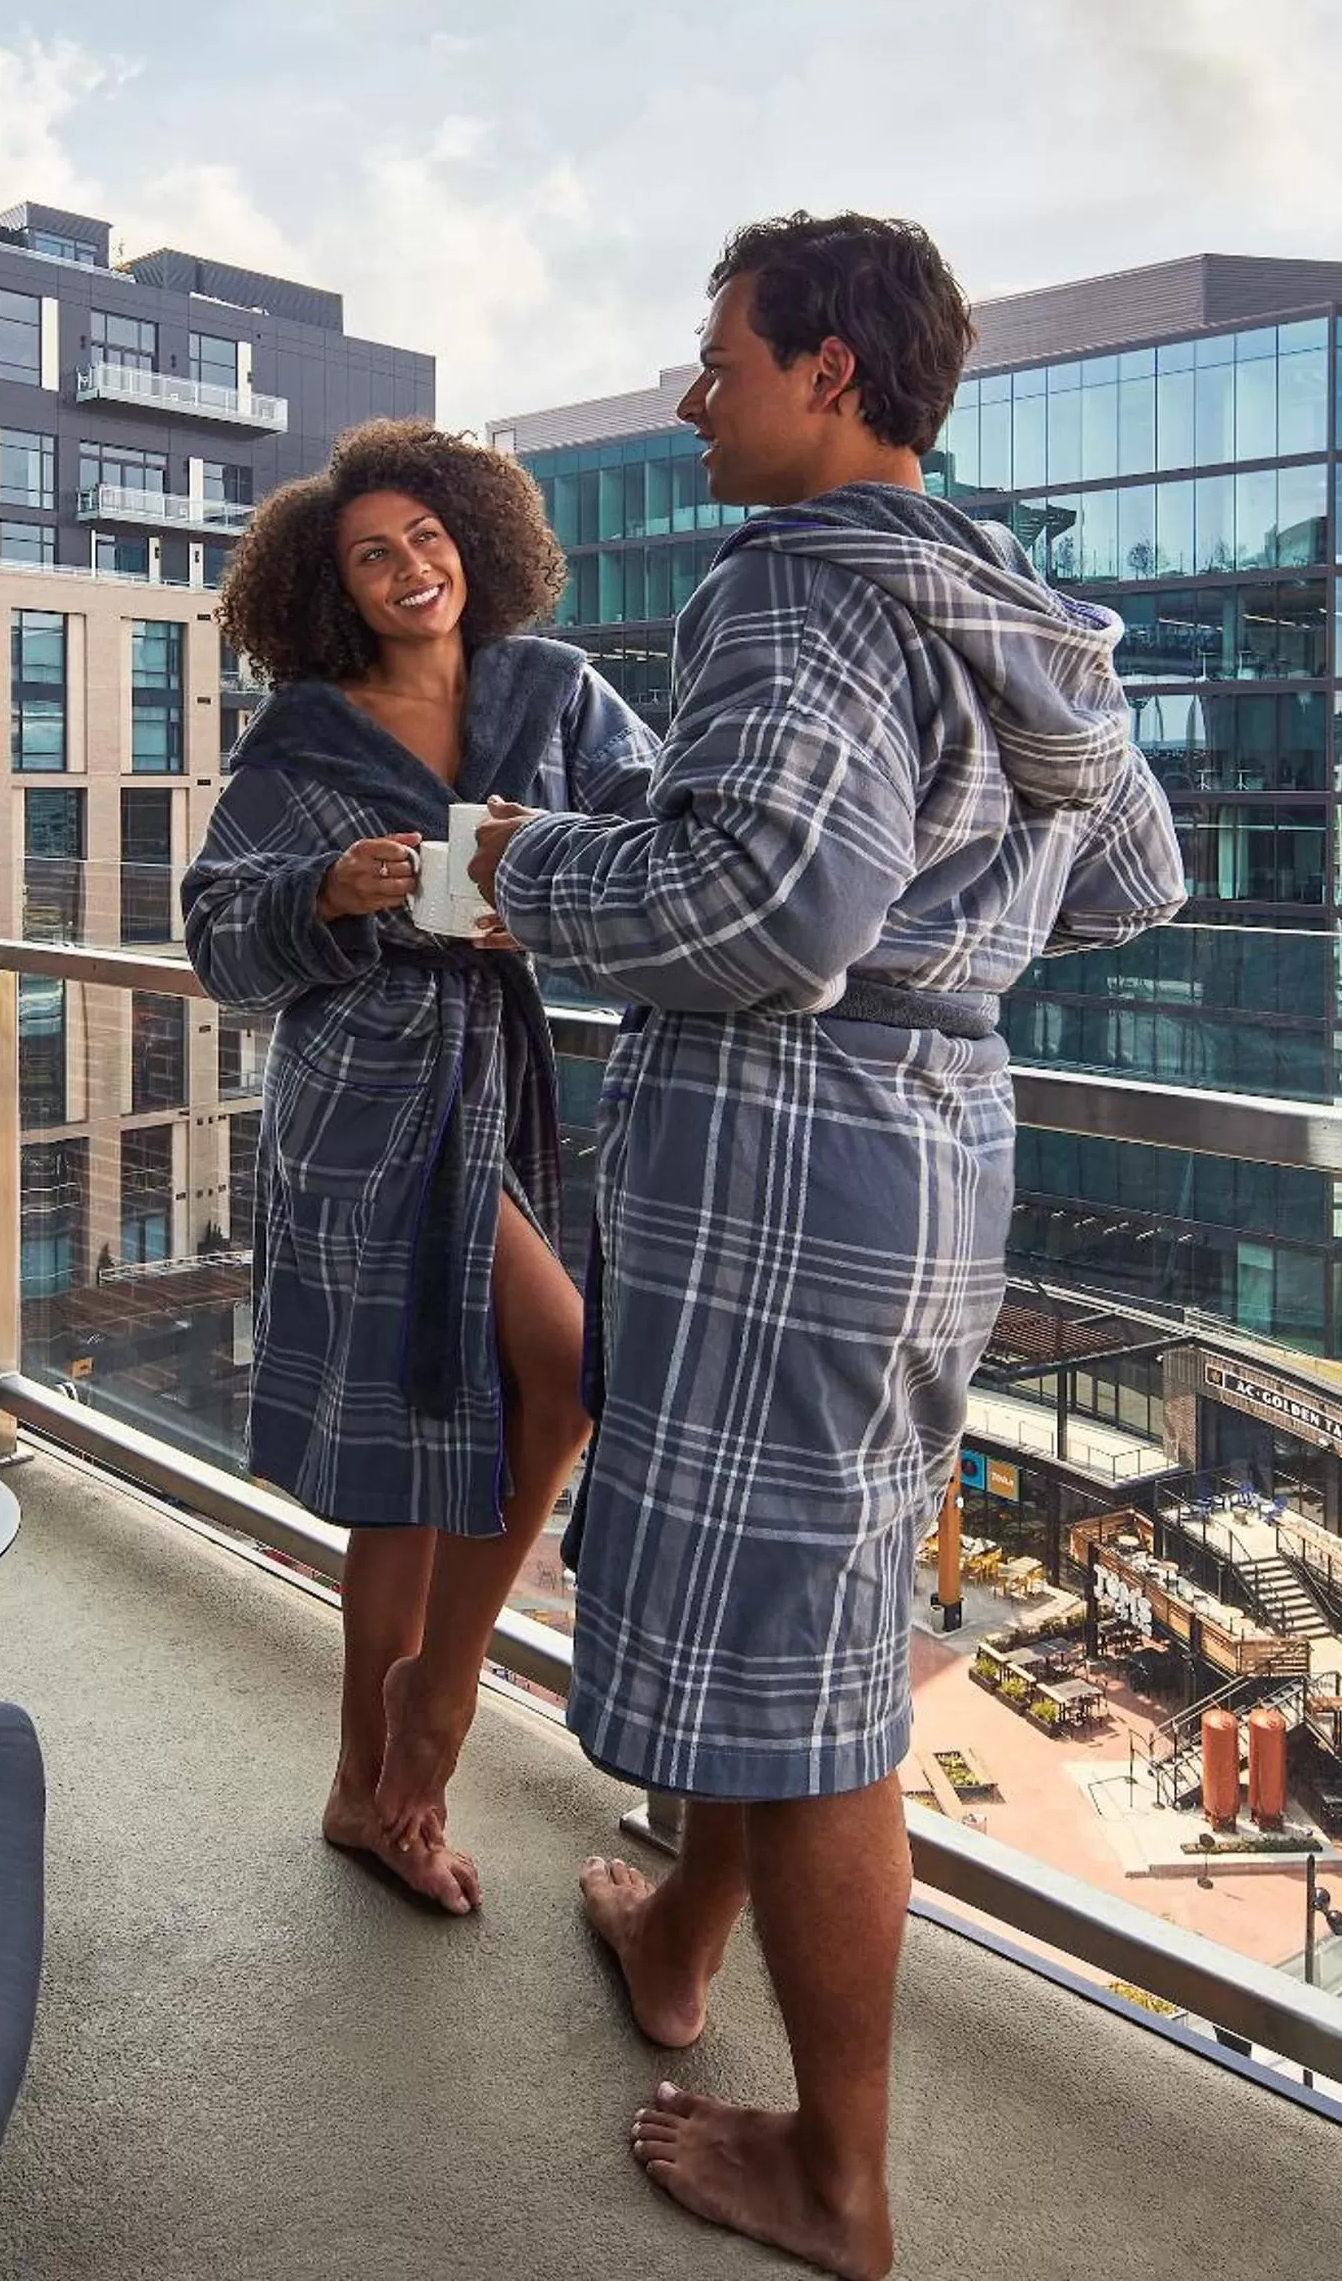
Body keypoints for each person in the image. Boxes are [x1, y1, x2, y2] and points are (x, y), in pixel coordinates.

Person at [472, 214, 1185, 2277]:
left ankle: (841, 2179)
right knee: (802, 1594)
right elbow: (1130, 872)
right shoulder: (1010, 603)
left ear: (833, 376)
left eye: (719, 360)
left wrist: (532, 867)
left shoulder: (798, 591)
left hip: (791, 1171)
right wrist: (955, 931)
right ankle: (686, 1929)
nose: (692, 398)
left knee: (817, 1672)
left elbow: (770, 908)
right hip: (934, 1154)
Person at [182, 420, 658, 1912]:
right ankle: (393, 1763)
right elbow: (211, 935)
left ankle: (403, 1745)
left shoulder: (554, 693)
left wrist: (550, 905)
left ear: (476, 538)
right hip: (359, 1107)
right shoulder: (305, 735)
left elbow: (663, 851)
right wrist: (324, 887)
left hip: (492, 1088)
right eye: (372, 554)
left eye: (428, 537)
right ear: (330, 588)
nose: (410, 568)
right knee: (462, 1423)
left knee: (547, 1381)